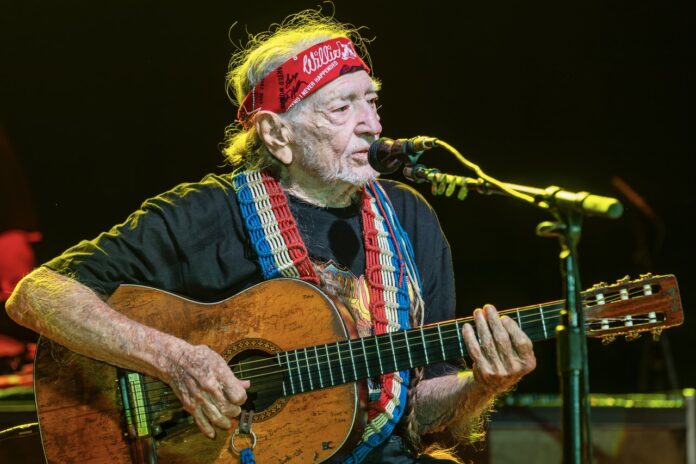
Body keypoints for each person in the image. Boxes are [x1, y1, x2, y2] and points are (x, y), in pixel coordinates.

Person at [5, 10, 536, 463]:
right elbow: (35, 294)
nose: (371, 123)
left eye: (371, 101)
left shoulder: (410, 219)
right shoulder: (208, 211)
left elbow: (419, 409)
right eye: (342, 108)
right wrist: (174, 360)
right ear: (276, 134)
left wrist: (481, 385)